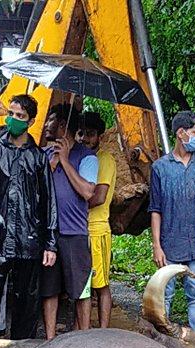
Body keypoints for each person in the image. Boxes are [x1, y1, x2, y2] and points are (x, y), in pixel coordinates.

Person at [0, 94, 58, 348]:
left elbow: (49, 201)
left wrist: (50, 243)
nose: (13, 120)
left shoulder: (38, 158)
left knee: (27, 300)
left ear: (31, 121)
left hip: (28, 239)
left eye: (20, 116)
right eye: (11, 114)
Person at [149, 110, 195, 335]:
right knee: (165, 293)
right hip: (169, 242)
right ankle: (163, 339)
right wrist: (157, 245)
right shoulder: (160, 167)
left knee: (194, 292)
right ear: (181, 133)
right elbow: (155, 209)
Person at [40, 103, 98, 338]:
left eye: (51, 120)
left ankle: (83, 337)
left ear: (63, 125)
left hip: (75, 232)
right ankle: (50, 339)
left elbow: (87, 192)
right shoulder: (44, 155)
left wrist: (64, 160)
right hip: (49, 233)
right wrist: (51, 165)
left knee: (81, 290)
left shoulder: (87, 157)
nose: (46, 125)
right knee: (49, 289)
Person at [78, 110, 116, 329]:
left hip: (97, 229)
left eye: (90, 134)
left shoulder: (105, 160)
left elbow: (99, 197)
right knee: (83, 283)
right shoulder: (81, 158)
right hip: (80, 228)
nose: (84, 138)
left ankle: (103, 330)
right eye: (81, 133)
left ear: (99, 135)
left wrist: (74, 206)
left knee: (101, 284)